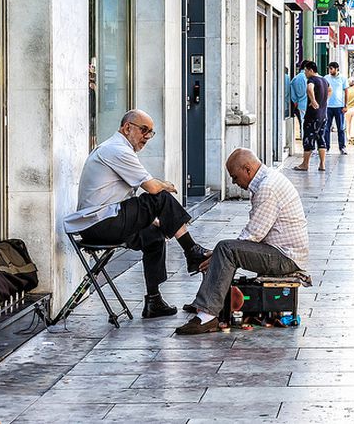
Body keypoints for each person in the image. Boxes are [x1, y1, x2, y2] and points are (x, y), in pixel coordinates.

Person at [64, 110, 211, 318]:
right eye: (144, 130)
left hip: (106, 222)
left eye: (151, 133)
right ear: (127, 128)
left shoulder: (119, 149)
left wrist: (156, 220)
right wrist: (166, 185)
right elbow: (151, 188)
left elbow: (122, 200)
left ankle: (154, 300)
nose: (147, 137)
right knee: (160, 197)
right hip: (100, 224)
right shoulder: (117, 150)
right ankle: (192, 251)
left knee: (154, 236)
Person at [175, 148, 309, 335]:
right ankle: (206, 303)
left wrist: (217, 255)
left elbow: (254, 234)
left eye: (235, 177)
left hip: (285, 257)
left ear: (247, 169)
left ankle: (207, 315)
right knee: (221, 252)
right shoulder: (267, 180)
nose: (234, 182)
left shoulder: (267, 187)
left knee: (226, 249)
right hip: (281, 251)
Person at [294, 61, 331, 171]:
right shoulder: (324, 80)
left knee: (308, 139)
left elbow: (309, 88)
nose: (304, 73)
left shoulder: (312, 79)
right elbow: (330, 90)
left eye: (305, 70)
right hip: (323, 115)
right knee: (321, 139)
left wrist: (314, 101)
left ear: (310, 70)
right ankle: (322, 164)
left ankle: (305, 164)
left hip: (313, 115)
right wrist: (324, 100)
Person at [323, 61, 349, 155]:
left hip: (339, 107)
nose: (330, 70)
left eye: (331, 68)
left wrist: (346, 105)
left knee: (341, 128)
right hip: (328, 107)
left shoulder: (342, 78)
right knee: (326, 128)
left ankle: (342, 147)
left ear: (336, 69)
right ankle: (326, 147)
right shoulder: (326, 78)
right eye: (329, 68)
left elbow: (346, 92)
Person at [290, 60, 310, 134]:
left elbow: (292, 92)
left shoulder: (295, 78)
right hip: (310, 103)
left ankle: (304, 137)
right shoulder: (309, 77)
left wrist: (295, 101)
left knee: (303, 121)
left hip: (300, 104)